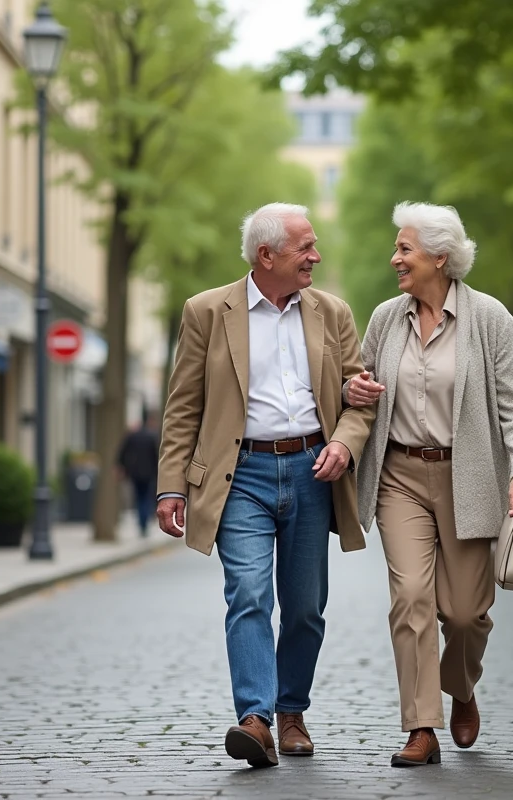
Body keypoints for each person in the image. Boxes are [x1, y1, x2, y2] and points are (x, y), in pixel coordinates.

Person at [154, 203, 375, 769]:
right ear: (266, 255)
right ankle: (255, 718)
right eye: (306, 248)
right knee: (248, 594)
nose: (316, 258)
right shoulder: (206, 311)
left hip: (310, 468)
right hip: (237, 475)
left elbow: (360, 395)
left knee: (305, 606)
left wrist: (345, 442)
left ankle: (291, 710)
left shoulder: (333, 312)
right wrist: (171, 485)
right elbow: (184, 407)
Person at [344, 202, 513, 767]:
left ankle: (461, 687)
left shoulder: (490, 319)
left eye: (404, 249)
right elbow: (357, 383)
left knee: (464, 613)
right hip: (399, 475)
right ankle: (421, 726)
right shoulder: (386, 317)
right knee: (410, 597)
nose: (395, 259)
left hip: (469, 475)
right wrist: (352, 393)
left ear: (440, 256)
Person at [116, 411, 159, 536]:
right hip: (149, 472)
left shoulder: (133, 435)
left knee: (139, 497)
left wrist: (121, 466)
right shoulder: (152, 437)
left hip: (135, 472)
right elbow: (156, 456)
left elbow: (123, 452)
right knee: (146, 497)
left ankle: (141, 522)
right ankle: (144, 522)